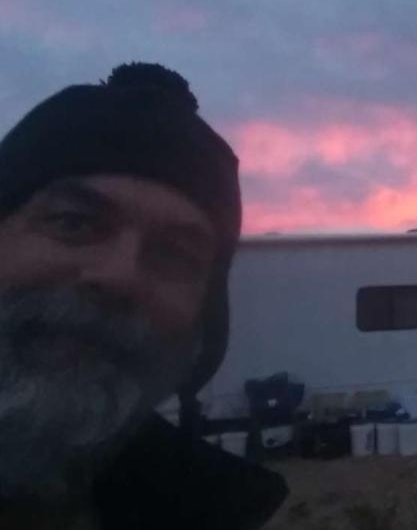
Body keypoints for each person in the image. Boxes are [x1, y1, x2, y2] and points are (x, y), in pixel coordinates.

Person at [0, 63, 287, 529]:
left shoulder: (214, 512)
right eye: (75, 223)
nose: (119, 276)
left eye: (174, 255)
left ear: (205, 319)